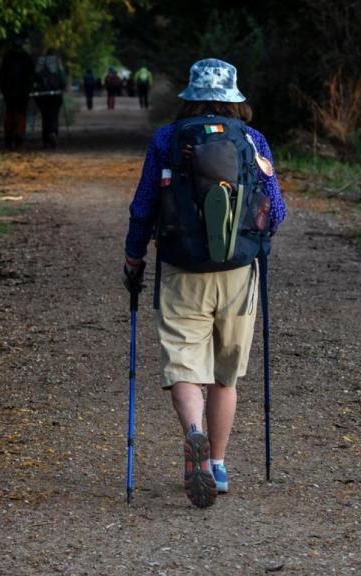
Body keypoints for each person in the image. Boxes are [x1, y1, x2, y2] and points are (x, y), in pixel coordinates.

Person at [121, 58, 286, 508]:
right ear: (235, 98)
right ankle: (216, 463)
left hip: (181, 269)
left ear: (190, 96)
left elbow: (144, 207)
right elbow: (277, 210)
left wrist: (134, 258)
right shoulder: (252, 140)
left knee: (184, 364)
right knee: (225, 376)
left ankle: (192, 432)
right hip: (237, 272)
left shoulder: (167, 139)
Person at [0, 42, 35, 149]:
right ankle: (18, 137)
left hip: (10, 92)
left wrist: (4, 90)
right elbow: (31, 76)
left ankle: (9, 138)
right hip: (22, 93)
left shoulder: (7, 57)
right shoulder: (26, 58)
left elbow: (1, 75)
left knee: (10, 113)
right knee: (20, 114)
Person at [33, 50, 66, 149]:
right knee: (54, 115)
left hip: (41, 95)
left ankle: (45, 141)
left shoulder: (40, 63)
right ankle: (53, 133)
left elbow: (34, 78)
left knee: (45, 117)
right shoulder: (57, 64)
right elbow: (63, 81)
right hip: (55, 95)